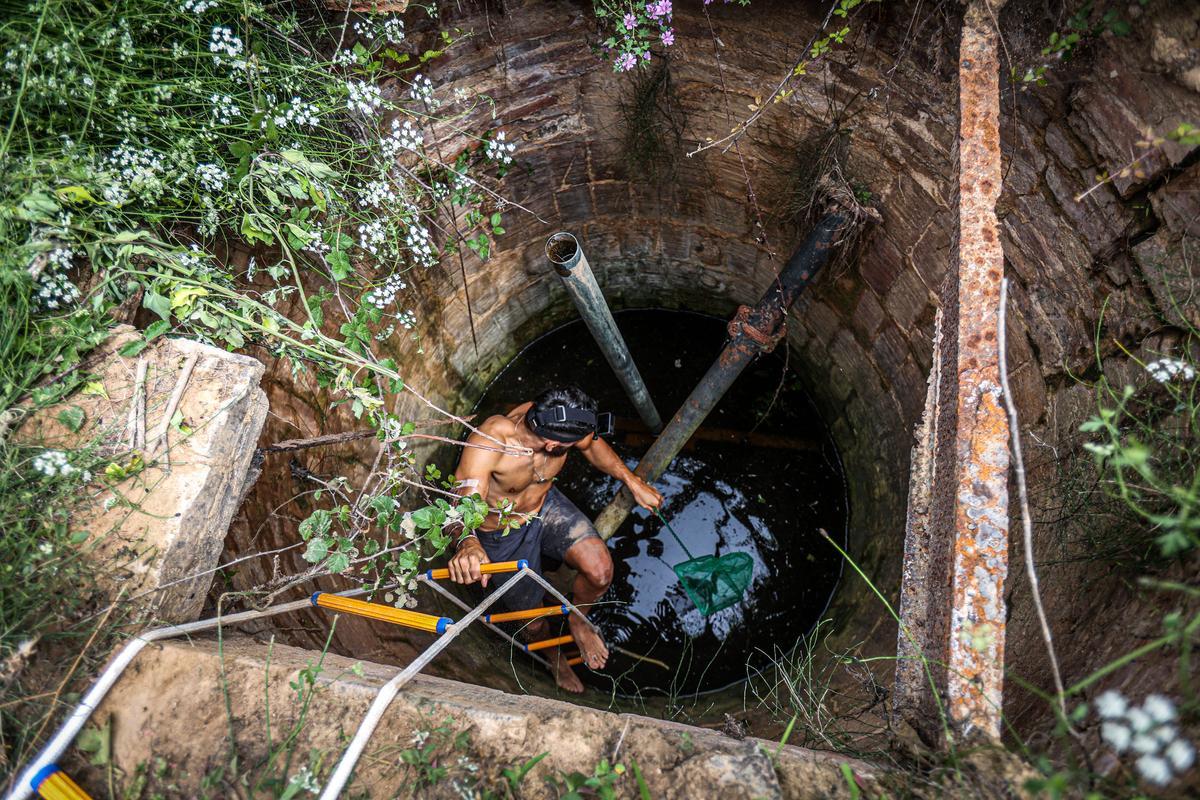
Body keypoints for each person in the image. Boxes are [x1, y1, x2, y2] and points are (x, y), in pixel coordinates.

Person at [444, 385, 663, 693]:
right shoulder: (493, 440)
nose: (580, 445)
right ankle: (554, 656)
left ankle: (577, 618)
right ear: (551, 442)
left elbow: (591, 444)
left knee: (600, 571)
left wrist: (631, 479)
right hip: (500, 532)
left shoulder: (563, 419)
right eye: (571, 445)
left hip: (546, 506)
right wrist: (468, 542)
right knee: (533, 623)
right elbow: (460, 504)